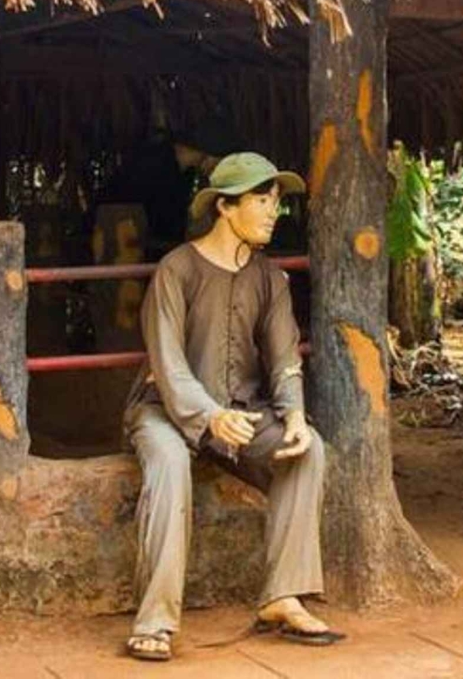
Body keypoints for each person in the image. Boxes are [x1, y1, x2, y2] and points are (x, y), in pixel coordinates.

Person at [122, 152, 342, 662]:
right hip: (162, 409)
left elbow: (286, 357)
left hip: (239, 412)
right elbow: (169, 364)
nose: (272, 212)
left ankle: (283, 597)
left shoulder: (269, 278)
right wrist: (208, 417)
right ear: (224, 207)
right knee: (172, 464)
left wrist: (292, 416)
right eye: (261, 201)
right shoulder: (175, 270)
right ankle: (155, 621)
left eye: (275, 202)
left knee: (308, 452)